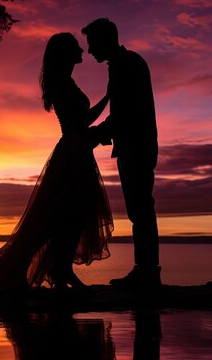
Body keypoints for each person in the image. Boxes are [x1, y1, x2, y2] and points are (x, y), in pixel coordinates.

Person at [0, 32, 113, 290]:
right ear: (65, 54)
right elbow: (80, 123)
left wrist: (106, 104)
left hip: (78, 150)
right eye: (76, 48)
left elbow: (82, 121)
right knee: (59, 214)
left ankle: (60, 268)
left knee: (74, 214)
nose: (82, 52)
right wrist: (107, 100)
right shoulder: (62, 84)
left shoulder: (66, 82)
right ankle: (34, 267)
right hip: (73, 152)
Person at [82, 18, 162, 291]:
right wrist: (102, 133)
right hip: (134, 144)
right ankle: (146, 270)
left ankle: (148, 272)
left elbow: (127, 112)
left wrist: (97, 135)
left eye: (92, 43)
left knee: (141, 209)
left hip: (137, 145)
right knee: (139, 210)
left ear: (105, 39)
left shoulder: (128, 64)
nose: (90, 50)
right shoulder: (122, 64)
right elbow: (123, 112)